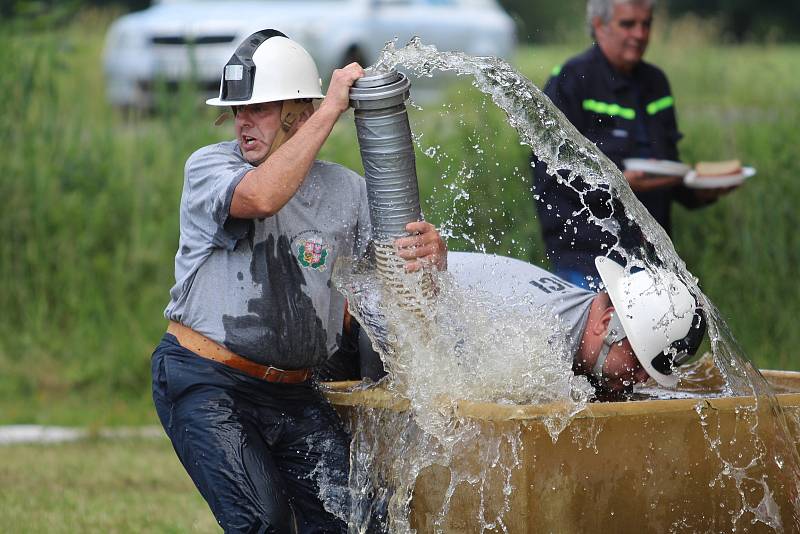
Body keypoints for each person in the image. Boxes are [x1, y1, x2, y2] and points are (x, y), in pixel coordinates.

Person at [150, 29, 446, 533]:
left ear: (298, 114)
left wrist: (431, 257)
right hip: (208, 382)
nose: (243, 122)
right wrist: (333, 108)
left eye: (260, 109)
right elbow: (261, 198)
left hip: (294, 391)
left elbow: (406, 287)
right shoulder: (210, 167)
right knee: (264, 522)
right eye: (239, 110)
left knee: (356, 523)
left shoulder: (346, 192)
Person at [532, 0, 735, 289]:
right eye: (628, 24)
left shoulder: (656, 83)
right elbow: (548, 171)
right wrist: (618, 184)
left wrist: (702, 190)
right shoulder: (572, 80)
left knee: (659, 334)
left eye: (646, 24)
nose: (640, 34)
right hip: (587, 258)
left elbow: (667, 168)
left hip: (652, 257)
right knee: (602, 335)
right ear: (600, 27)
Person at [340, 251, 705, 396]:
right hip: (352, 325)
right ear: (607, 322)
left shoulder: (577, 313)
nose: (640, 379)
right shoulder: (536, 344)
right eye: (640, 362)